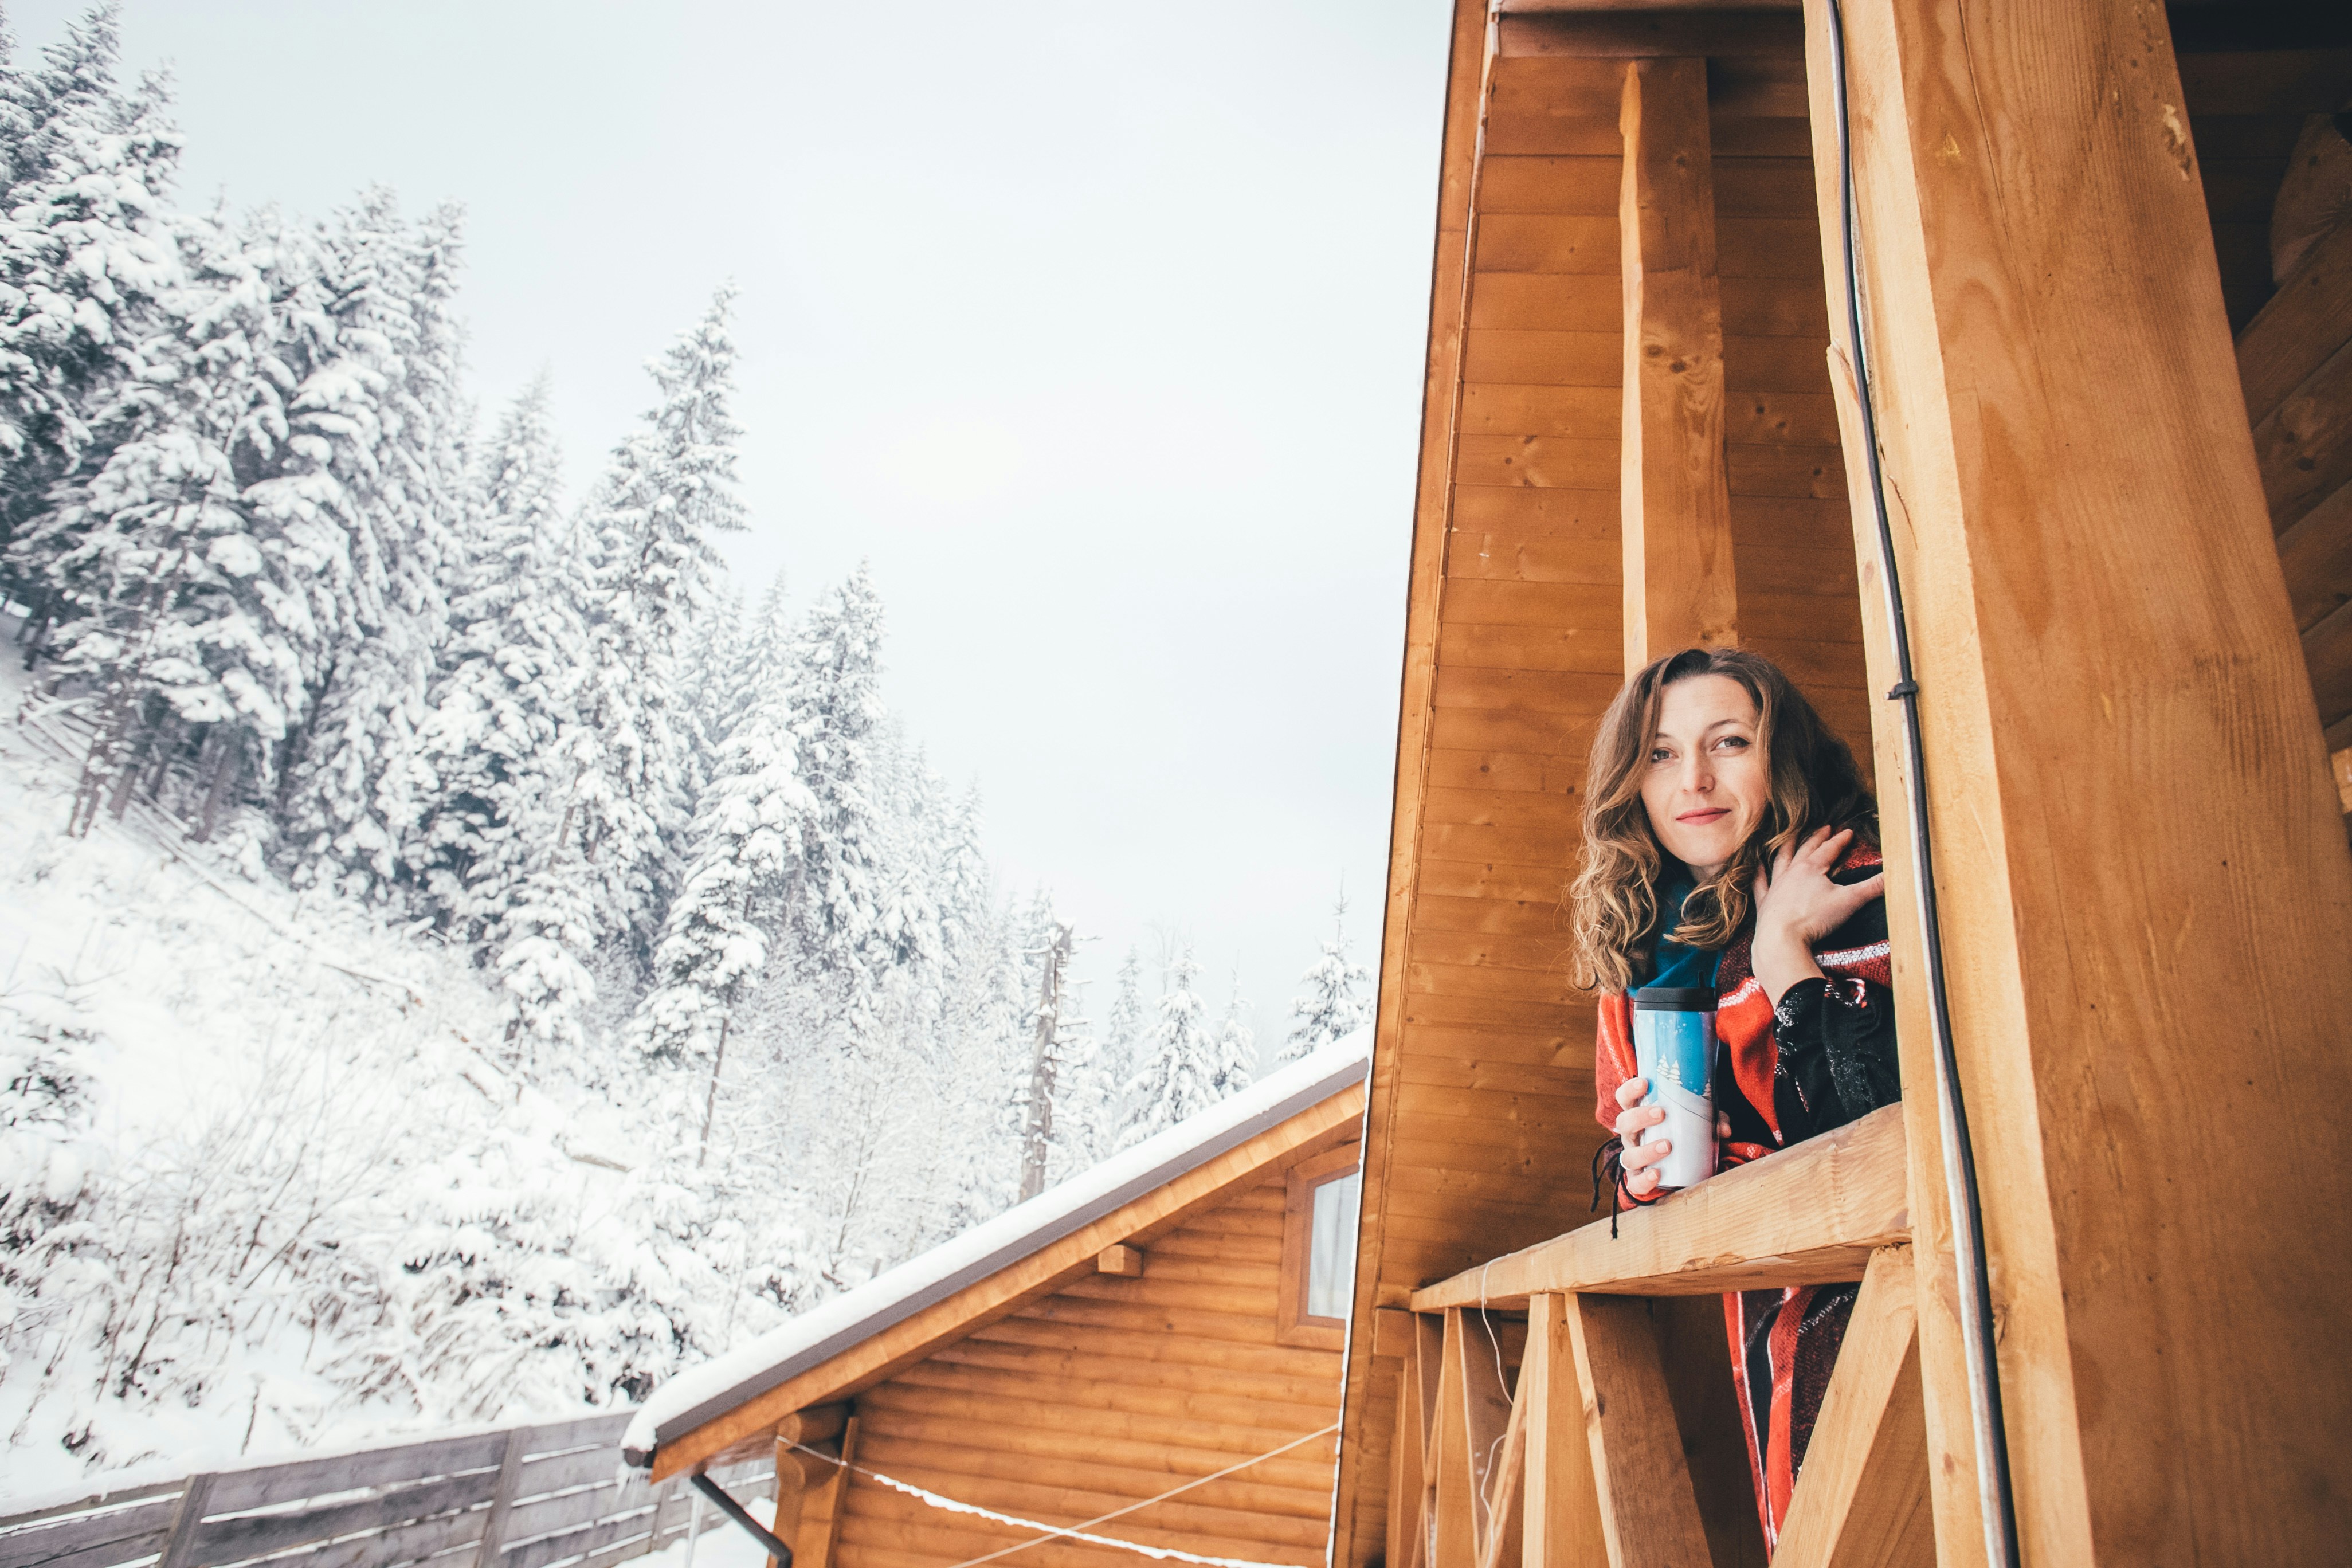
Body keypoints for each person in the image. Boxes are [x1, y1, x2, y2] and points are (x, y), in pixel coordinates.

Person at [1567, 646, 1899, 1554]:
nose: (1695, 781)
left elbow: (1880, 1127)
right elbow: (1643, 1174)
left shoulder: (1854, 879)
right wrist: (1639, 1170)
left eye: (1730, 743)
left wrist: (1784, 955)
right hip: (1771, 1325)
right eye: (1663, 755)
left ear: (1780, 756)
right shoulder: (1645, 949)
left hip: (1914, 1311)